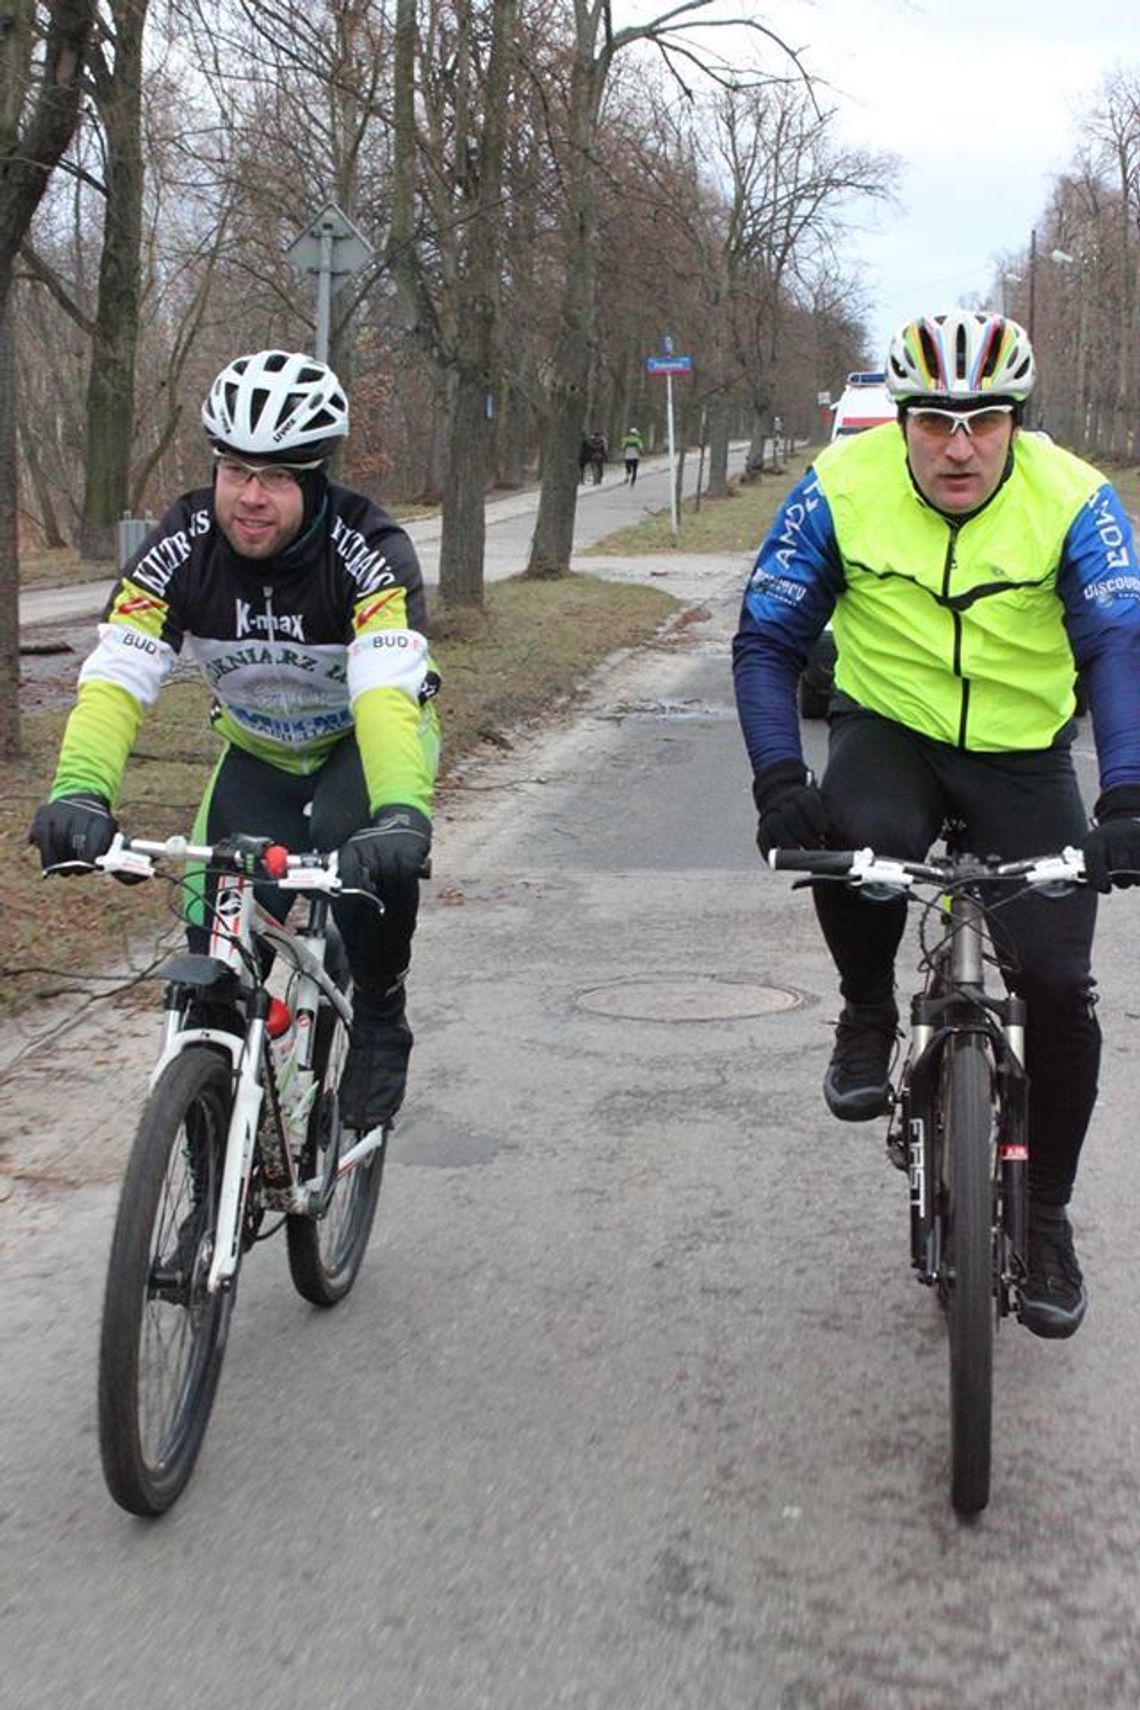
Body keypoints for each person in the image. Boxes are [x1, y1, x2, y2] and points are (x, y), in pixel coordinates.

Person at [733, 308, 1140, 1339]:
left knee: (1057, 985)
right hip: (893, 726)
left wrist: (1126, 793)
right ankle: (867, 1009)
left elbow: (1117, 648)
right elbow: (767, 639)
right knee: (853, 841)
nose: (959, 447)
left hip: (1021, 750)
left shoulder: (1077, 500)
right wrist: (779, 777)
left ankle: (1045, 1217)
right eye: (935, 422)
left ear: (1016, 421)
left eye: (985, 420)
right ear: (902, 417)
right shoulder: (839, 488)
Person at [28, 348, 441, 1132]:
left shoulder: (368, 550)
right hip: (259, 753)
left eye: (278, 477)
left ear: (316, 479)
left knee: (368, 875)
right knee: (208, 963)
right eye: (235, 470)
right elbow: (117, 674)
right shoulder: (180, 546)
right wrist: (80, 790)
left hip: (361, 748)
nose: (251, 497)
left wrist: (399, 813)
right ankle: (202, 1176)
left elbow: (388, 693)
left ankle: (381, 1015)